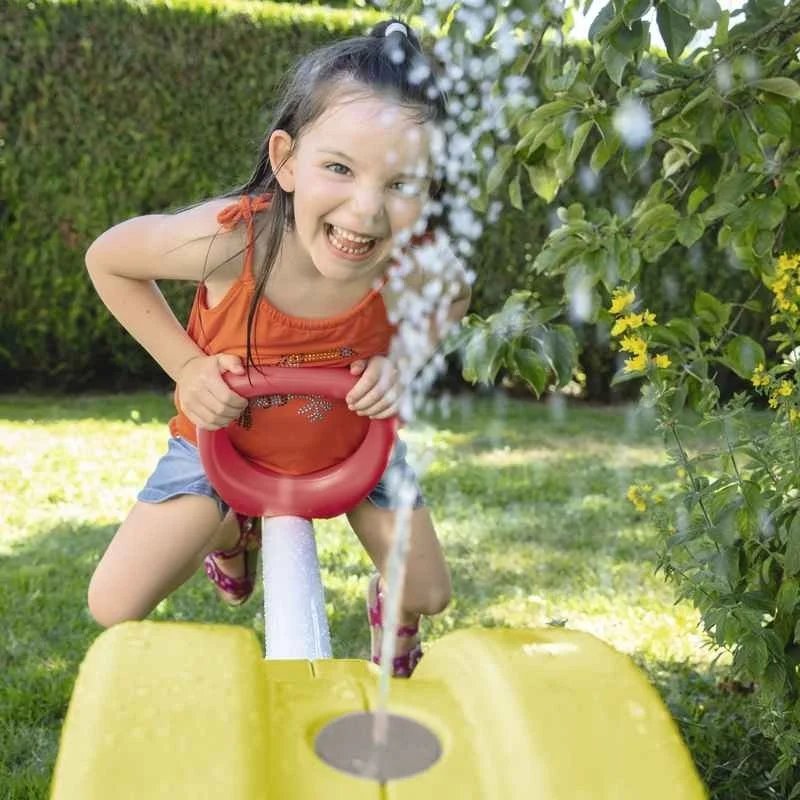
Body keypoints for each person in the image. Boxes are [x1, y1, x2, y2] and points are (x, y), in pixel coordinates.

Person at [84, 18, 471, 678]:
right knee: (114, 602)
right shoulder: (231, 241)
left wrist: (402, 364)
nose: (366, 212)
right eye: (339, 168)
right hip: (223, 448)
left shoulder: (413, 262)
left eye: (402, 184)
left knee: (430, 592)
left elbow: (456, 296)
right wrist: (188, 368)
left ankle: (392, 612)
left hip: (353, 446)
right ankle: (233, 534)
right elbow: (109, 259)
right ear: (287, 161)